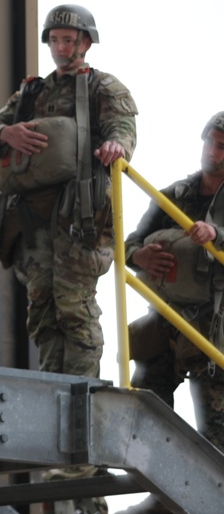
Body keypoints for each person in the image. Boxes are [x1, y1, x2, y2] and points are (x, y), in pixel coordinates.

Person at [0, 4, 137, 378]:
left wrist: (116, 147)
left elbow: (123, 127)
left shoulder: (101, 86)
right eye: (54, 40)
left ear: (85, 42)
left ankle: (82, 391)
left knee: (74, 306)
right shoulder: (31, 91)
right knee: (42, 308)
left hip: (78, 213)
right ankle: (53, 388)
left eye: (68, 40)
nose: (60, 47)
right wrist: (7, 133)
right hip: (32, 217)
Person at [113, 112, 224, 514]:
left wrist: (217, 236)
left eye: (223, 146)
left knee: (215, 436)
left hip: (215, 331)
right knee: (147, 407)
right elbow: (127, 244)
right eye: (211, 141)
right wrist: (139, 254)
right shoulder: (173, 194)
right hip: (168, 323)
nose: (214, 152)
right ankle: (163, 493)